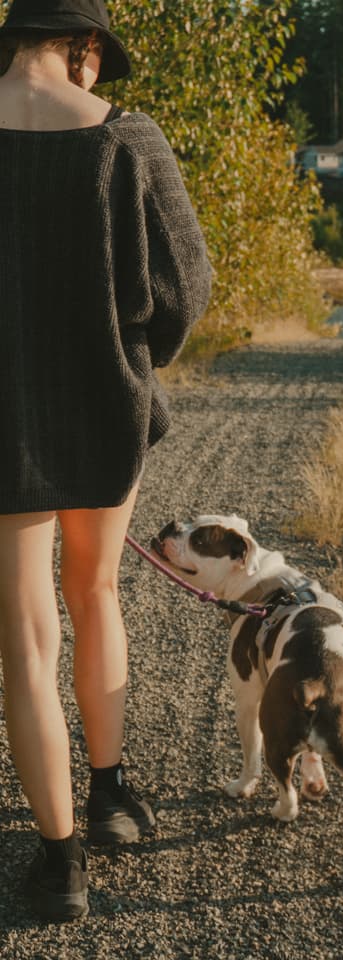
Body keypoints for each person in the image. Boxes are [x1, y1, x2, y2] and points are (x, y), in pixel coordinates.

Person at [0, 0, 213, 923]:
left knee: (28, 641)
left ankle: (61, 868)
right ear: (84, 49)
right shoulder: (129, 139)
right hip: (106, 405)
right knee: (97, 596)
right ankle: (113, 794)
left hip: (4, 418)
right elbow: (188, 284)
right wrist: (133, 353)